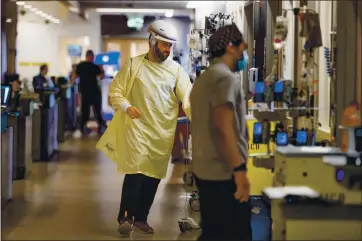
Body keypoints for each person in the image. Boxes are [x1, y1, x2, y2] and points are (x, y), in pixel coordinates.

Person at [96, 19, 192, 235]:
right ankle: (125, 217)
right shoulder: (134, 65)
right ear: (152, 41)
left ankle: (141, 217)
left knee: (154, 174)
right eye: (164, 45)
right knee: (136, 171)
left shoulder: (176, 71)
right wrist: (127, 107)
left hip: (162, 132)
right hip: (137, 130)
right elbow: (116, 92)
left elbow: (187, 97)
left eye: (170, 46)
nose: (167, 50)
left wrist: (198, 116)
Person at [189, 23, 252, 241]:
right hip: (223, 173)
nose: (242, 55)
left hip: (206, 169)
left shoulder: (204, 79)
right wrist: (240, 170)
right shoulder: (224, 78)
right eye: (241, 49)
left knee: (214, 232)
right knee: (235, 233)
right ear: (230, 48)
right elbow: (223, 128)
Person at [73, 50, 107, 136]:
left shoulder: (80, 66)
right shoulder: (94, 66)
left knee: (85, 111)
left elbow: (74, 76)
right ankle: (101, 127)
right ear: (92, 57)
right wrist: (101, 69)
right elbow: (102, 76)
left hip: (85, 92)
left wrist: (74, 82)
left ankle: (82, 127)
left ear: (86, 56)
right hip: (94, 92)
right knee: (97, 111)